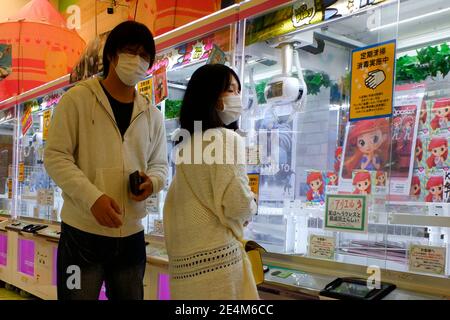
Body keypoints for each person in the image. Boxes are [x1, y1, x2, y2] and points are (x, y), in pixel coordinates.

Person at [44, 21, 168, 300]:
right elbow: (55, 156)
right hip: (81, 235)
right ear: (111, 55)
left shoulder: (152, 114)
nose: (137, 60)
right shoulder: (76, 100)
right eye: (129, 51)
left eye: (144, 55)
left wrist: (153, 182)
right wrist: (92, 198)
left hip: (132, 236)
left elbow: (160, 164)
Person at [163, 64, 258, 300]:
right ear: (211, 96)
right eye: (229, 90)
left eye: (238, 91)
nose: (236, 97)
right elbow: (238, 204)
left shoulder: (186, 144)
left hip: (185, 268)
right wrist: (252, 205)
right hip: (219, 265)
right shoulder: (225, 138)